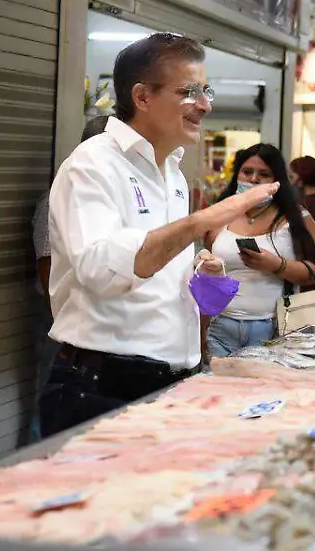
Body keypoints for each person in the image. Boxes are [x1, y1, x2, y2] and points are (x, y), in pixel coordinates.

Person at [40, 33, 277, 437]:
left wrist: (201, 275)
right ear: (143, 97)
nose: (204, 104)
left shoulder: (172, 174)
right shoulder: (93, 164)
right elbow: (100, 270)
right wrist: (201, 221)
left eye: (206, 91)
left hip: (166, 382)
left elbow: (157, 282)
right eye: (188, 92)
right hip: (103, 387)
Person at [27, 115, 108, 443]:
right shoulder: (59, 198)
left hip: (88, 326)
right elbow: (49, 273)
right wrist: (68, 331)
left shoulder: (99, 199)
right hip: (63, 326)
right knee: (51, 412)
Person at [203, 144, 315, 357]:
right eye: (247, 172)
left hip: (275, 330)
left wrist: (276, 265)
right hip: (220, 328)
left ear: (277, 180)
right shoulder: (219, 215)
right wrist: (200, 330)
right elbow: (207, 281)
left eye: (264, 174)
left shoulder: (296, 217)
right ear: (237, 174)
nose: (253, 180)